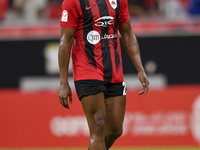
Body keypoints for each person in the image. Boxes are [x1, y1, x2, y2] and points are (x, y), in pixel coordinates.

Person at [58, 0, 149, 150]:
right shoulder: (73, 1)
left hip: (114, 71)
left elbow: (127, 33)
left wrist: (140, 68)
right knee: (98, 125)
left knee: (115, 130)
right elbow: (65, 41)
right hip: (87, 70)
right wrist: (63, 83)